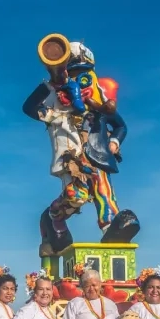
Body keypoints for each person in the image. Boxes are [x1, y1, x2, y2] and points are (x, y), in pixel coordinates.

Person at [23, 38, 139, 256]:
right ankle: (52, 217)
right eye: (74, 75)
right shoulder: (55, 101)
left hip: (97, 154)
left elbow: (120, 126)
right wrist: (50, 100)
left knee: (103, 189)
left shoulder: (98, 106)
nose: (80, 82)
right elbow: (29, 107)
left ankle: (110, 226)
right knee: (76, 194)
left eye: (85, 76)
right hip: (71, 156)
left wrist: (114, 142)